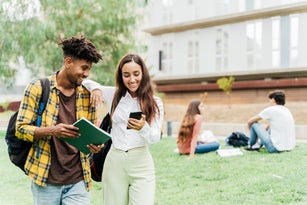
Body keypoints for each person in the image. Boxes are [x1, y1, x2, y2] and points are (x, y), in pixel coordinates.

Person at [15, 36, 103, 205]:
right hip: (46, 180)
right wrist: (53, 130)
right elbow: (20, 129)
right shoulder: (38, 88)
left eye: (89, 69)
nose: (87, 74)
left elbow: (90, 135)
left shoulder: (88, 93)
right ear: (68, 62)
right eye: (84, 68)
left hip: (78, 180)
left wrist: (95, 146)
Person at [83, 53, 164, 205]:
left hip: (141, 162)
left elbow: (155, 138)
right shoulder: (114, 94)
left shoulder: (155, 102)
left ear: (143, 74)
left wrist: (143, 128)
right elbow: (84, 82)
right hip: (115, 161)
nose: (132, 79)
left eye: (136, 74)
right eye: (126, 75)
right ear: (121, 76)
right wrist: (96, 89)